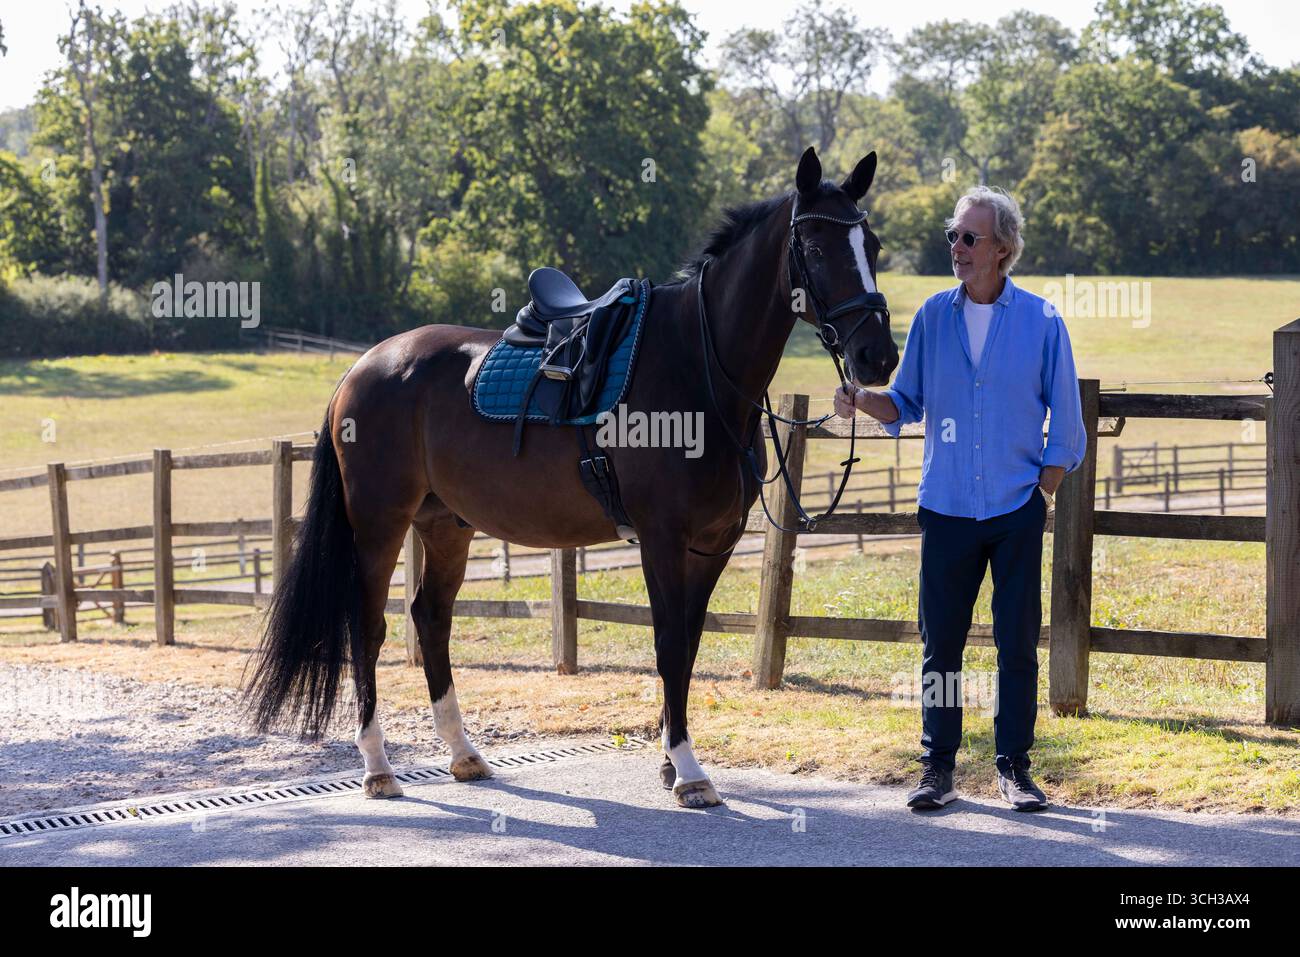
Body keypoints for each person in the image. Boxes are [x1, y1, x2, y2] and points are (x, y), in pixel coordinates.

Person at [833, 186, 1087, 812]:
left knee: (1016, 644)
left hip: (1014, 510)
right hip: (946, 507)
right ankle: (937, 769)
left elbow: (1069, 421)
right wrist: (864, 400)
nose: (957, 247)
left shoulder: (1042, 321)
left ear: (1002, 249)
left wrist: (1042, 491)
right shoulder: (931, 318)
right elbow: (905, 401)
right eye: (953, 236)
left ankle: (1015, 768)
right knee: (940, 645)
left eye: (969, 238)